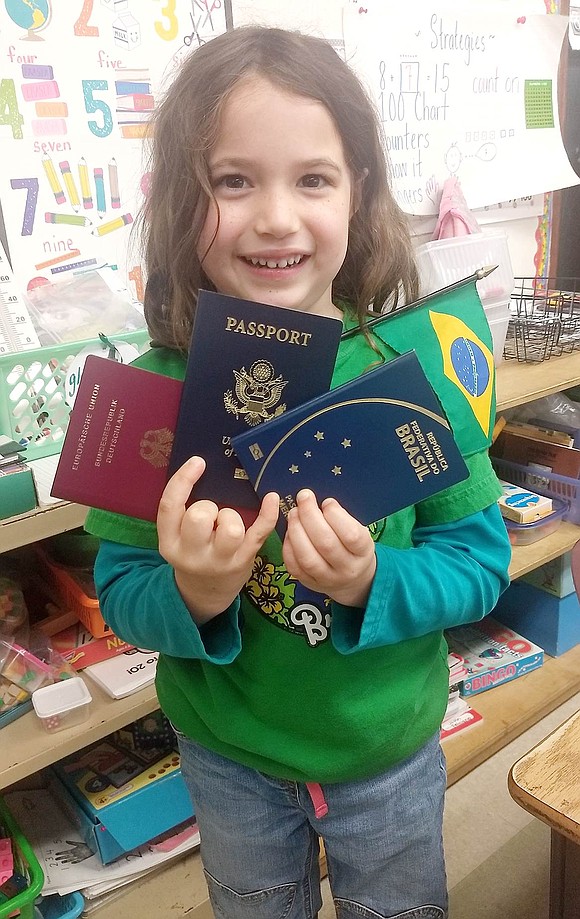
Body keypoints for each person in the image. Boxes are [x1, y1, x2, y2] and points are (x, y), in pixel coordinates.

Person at [85, 26, 511, 919]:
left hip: (386, 756)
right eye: (232, 180)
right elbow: (122, 584)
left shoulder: (410, 371)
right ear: (178, 202)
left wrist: (369, 578)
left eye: (312, 178)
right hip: (228, 755)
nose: (275, 216)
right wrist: (195, 591)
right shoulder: (152, 399)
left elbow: (478, 563)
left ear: (358, 192)